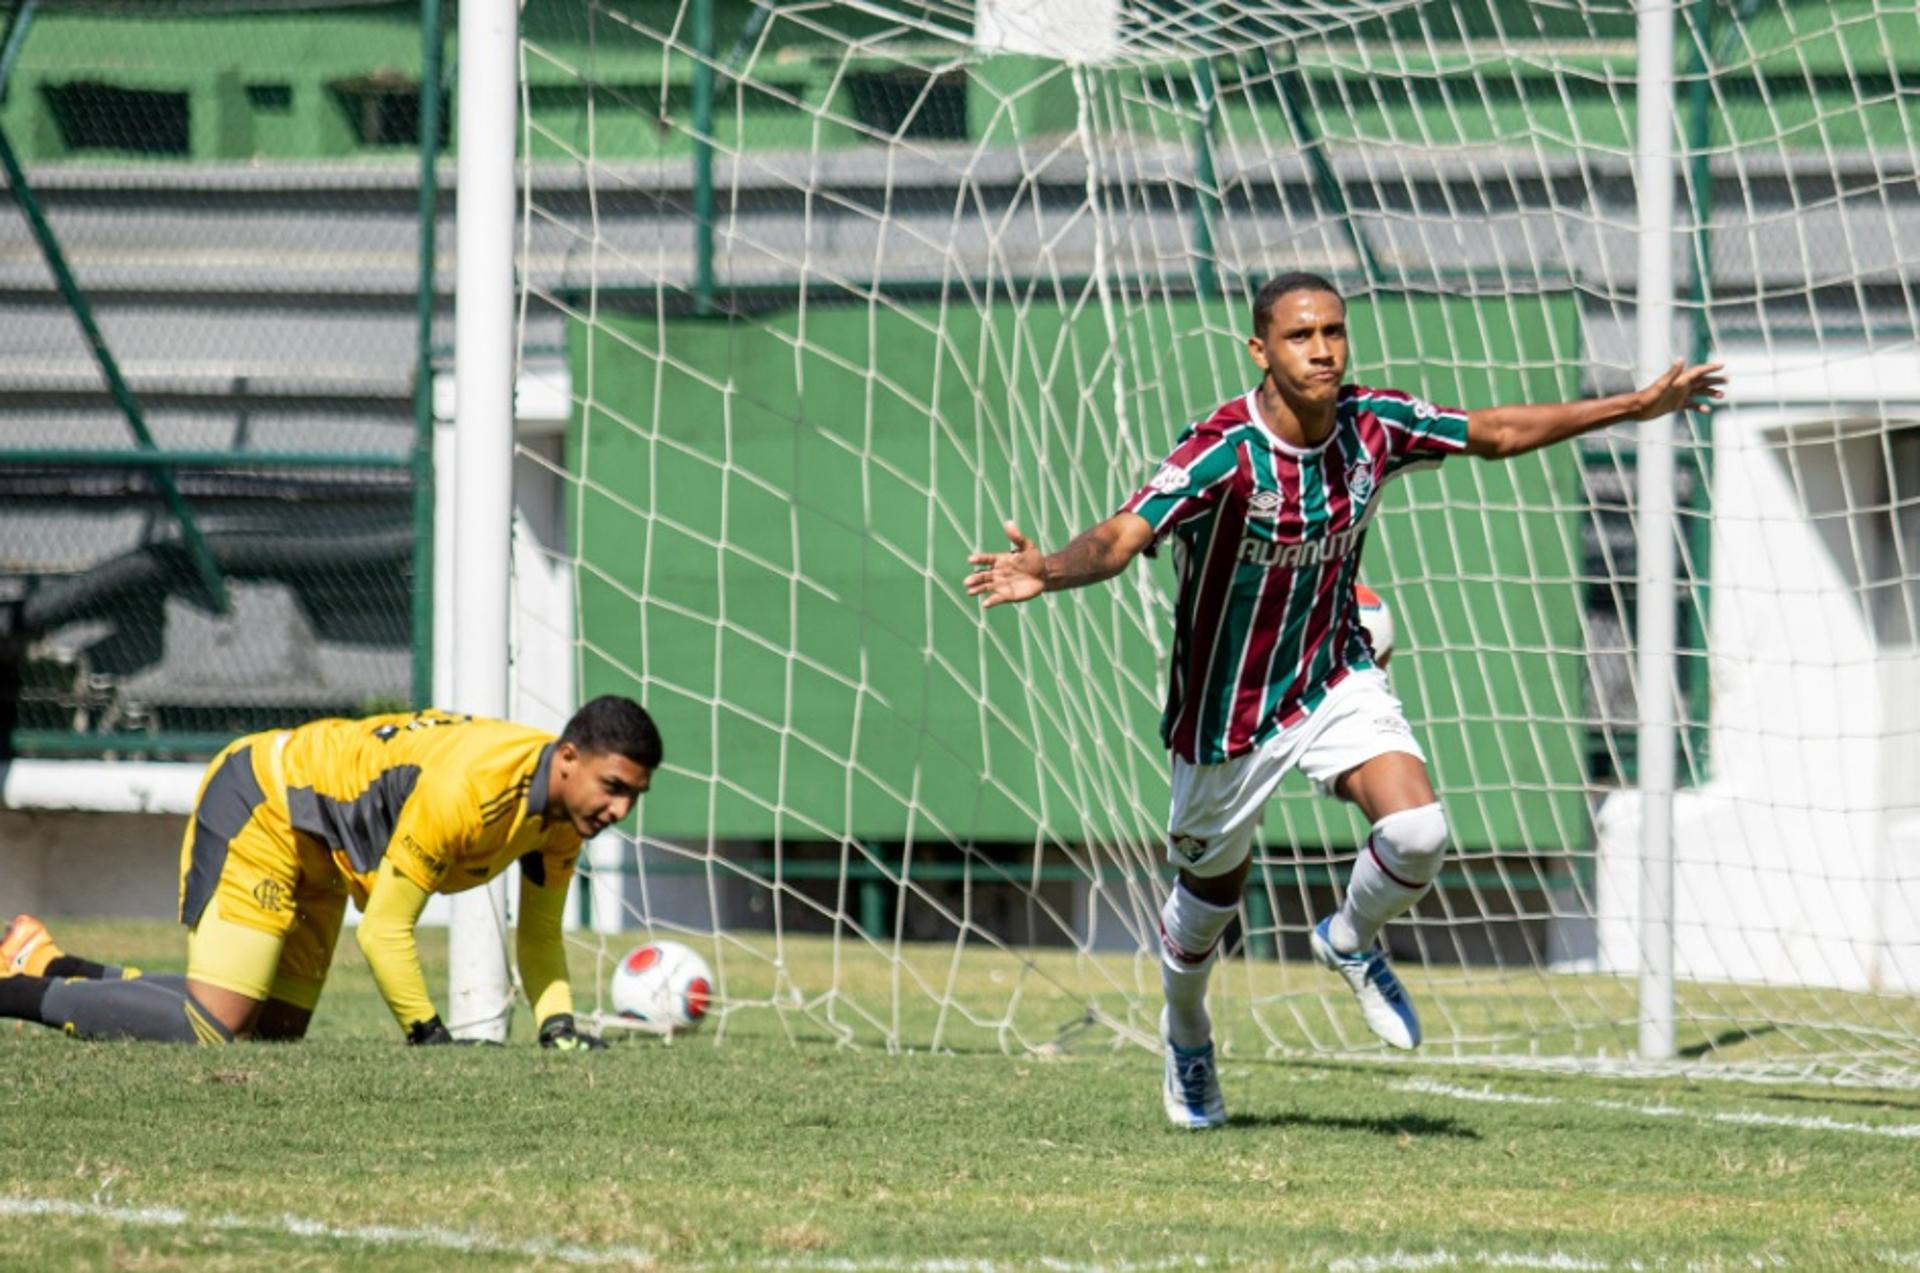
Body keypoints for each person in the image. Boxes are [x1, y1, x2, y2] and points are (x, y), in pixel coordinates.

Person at [965, 272, 1722, 1128]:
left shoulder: (1373, 423)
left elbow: (1498, 432)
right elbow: (1123, 534)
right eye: (1299, 335)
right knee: (1207, 909)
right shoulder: (1222, 452)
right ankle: (1187, 1038)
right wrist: (1050, 569)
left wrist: (1634, 406)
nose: (1321, 349)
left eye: (1333, 331)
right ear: (1261, 350)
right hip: (1229, 716)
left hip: (1333, 674)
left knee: (1418, 831)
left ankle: (1349, 937)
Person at [0, 695, 662, 1048]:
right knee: (212, 1026)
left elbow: (541, 934)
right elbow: (383, 929)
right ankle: (15, 990)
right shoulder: (472, 787)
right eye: (613, 786)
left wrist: (558, 1025)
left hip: (325, 854)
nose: (620, 808)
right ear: (569, 756)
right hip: (265, 801)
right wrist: (429, 1035)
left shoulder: (560, 815)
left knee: (272, 1034)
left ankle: (51, 964)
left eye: (633, 795)